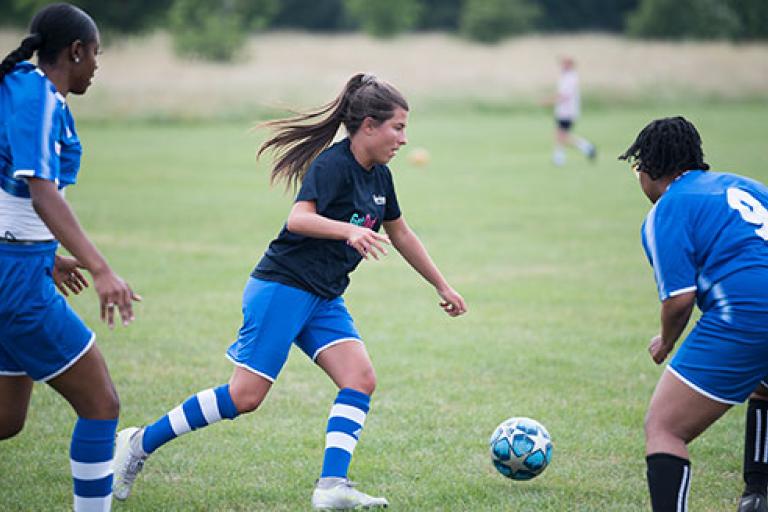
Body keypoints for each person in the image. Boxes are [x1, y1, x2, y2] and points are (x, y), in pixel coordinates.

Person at [112, 72, 467, 510]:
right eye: (398, 127)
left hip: (323, 297)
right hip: (282, 287)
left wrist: (442, 284)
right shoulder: (333, 165)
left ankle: (332, 487)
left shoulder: (381, 177)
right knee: (245, 397)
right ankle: (138, 442)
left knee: (360, 378)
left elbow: (403, 234)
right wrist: (347, 233)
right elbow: (299, 218)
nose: (404, 139)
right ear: (369, 126)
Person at [0, 3, 139, 511]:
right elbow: (39, 190)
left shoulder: (20, 86)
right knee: (102, 405)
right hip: (14, 282)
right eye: (96, 54)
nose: (98, 66)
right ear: (75, 51)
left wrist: (45, 251)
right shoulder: (36, 94)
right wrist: (101, 268)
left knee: (6, 421)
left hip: (18, 264)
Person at [619, 116, 768, 512]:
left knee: (664, 428)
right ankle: (758, 494)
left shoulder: (668, 208)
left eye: (636, 168)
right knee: (763, 381)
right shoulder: (746, 186)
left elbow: (680, 299)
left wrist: (665, 342)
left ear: (649, 169)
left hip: (747, 313)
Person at [545, 57, 596, 167]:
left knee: (562, 135)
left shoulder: (570, 78)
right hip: (562, 111)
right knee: (559, 135)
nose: (562, 66)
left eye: (564, 64)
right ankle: (559, 158)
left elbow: (564, 95)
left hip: (567, 111)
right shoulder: (566, 77)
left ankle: (586, 147)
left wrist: (549, 101)